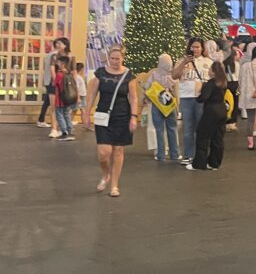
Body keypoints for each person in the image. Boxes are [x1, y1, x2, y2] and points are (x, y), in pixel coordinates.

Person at [84, 45, 140, 197]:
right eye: (112, 58)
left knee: (118, 150)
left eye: (118, 58)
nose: (115, 61)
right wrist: (86, 113)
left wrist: (134, 117)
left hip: (122, 115)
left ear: (123, 58)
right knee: (104, 152)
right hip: (103, 115)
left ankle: (114, 185)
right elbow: (92, 94)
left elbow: (134, 98)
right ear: (108, 58)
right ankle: (106, 174)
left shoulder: (129, 75)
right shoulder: (100, 74)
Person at [171, 37, 212, 163]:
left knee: (201, 127)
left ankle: (200, 155)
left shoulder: (208, 61)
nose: (195, 49)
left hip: (201, 97)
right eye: (193, 47)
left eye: (197, 47)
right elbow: (174, 75)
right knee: (188, 127)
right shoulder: (182, 61)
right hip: (186, 97)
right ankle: (188, 155)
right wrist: (184, 63)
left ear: (202, 48)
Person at [188, 61, 228, 171]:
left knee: (203, 136)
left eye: (210, 69)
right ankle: (214, 163)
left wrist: (198, 94)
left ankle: (199, 164)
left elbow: (203, 98)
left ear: (214, 71)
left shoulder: (210, 83)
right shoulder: (223, 82)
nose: (208, 71)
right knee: (217, 138)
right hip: (222, 110)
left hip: (211, 112)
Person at [145, 53, 180, 162]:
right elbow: (176, 91)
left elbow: (147, 87)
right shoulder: (173, 75)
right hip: (170, 105)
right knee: (172, 129)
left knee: (159, 130)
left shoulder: (154, 75)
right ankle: (175, 154)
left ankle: (161, 154)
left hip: (156, 104)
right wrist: (178, 106)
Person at [37, 37, 71, 130]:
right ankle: (55, 127)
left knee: (49, 102)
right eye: (57, 43)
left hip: (51, 81)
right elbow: (52, 69)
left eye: (60, 43)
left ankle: (42, 120)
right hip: (53, 82)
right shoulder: (55, 55)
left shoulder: (53, 54)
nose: (57, 45)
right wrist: (57, 82)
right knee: (54, 105)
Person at [52, 54, 77, 141]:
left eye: (58, 62)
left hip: (60, 98)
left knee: (59, 115)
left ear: (62, 64)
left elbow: (55, 84)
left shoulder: (59, 74)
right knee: (66, 114)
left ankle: (64, 132)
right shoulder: (69, 74)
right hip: (68, 98)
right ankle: (69, 130)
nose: (57, 64)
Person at [223, 45, 240, 132]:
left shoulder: (224, 64)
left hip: (227, 85)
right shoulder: (236, 64)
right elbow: (239, 76)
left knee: (227, 104)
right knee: (235, 104)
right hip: (235, 85)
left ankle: (226, 122)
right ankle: (233, 123)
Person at [73, 62, 88, 130]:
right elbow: (77, 87)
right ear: (81, 69)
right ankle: (85, 125)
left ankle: (85, 125)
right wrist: (78, 97)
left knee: (82, 110)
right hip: (80, 96)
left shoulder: (79, 77)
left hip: (82, 95)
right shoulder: (77, 77)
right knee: (75, 110)